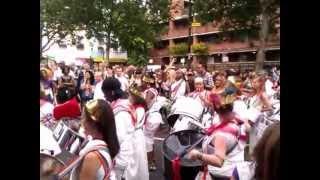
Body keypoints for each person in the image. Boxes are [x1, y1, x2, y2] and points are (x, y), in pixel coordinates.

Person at [188, 93, 243, 179]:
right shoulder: (235, 121)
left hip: (222, 174)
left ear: (214, 108)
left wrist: (198, 155)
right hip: (233, 168)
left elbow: (218, 161)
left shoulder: (221, 135)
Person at [69, 99, 120, 180]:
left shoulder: (92, 157)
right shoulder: (106, 143)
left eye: (83, 118)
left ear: (93, 123)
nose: (81, 122)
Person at [101, 77, 137, 180]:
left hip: (122, 154)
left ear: (112, 92)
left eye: (105, 93)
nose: (104, 96)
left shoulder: (121, 112)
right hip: (125, 150)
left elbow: (118, 137)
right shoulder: (123, 103)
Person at [127, 85, 149, 180]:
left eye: (130, 96)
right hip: (132, 135)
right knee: (132, 158)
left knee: (137, 158)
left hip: (136, 136)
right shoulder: (132, 106)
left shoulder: (140, 109)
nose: (129, 97)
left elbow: (135, 123)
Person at [143, 88, 163, 171]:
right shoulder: (145, 100)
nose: (147, 97)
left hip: (149, 125)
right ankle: (150, 161)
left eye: (150, 96)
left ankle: (151, 162)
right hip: (145, 126)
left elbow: (150, 129)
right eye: (147, 95)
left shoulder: (155, 110)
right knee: (148, 142)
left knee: (148, 141)